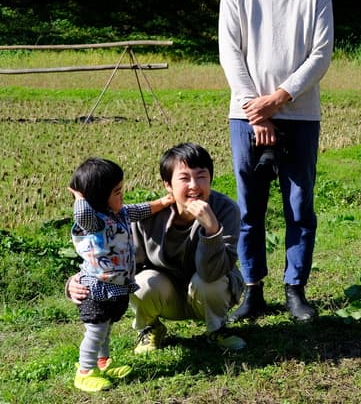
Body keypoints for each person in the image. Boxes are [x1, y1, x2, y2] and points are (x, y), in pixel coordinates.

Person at [219, 0, 334, 323]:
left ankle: (295, 289)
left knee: (299, 207)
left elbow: (320, 55)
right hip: (245, 115)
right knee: (249, 208)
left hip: (300, 115)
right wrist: (258, 111)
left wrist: (278, 99)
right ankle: (252, 290)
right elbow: (230, 53)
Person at [67, 143, 247, 354]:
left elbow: (213, 271)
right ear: (168, 185)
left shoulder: (225, 210)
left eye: (201, 176)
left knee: (209, 281)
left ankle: (217, 328)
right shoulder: (148, 216)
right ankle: (151, 327)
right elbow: (119, 262)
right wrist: (77, 281)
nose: (194, 186)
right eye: (184, 178)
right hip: (166, 292)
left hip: (206, 291)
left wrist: (212, 230)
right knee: (141, 283)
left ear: (210, 178)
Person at [69, 157, 173, 392]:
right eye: (116, 192)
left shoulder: (121, 214)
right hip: (96, 287)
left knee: (105, 329)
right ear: (96, 197)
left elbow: (142, 209)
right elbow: (82, 212)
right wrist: (79, 195)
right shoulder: (93, 222)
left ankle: (102, 363)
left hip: (115, 285)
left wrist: (164, 201)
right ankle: (84, 372)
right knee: (95, 331)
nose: (122, 196)